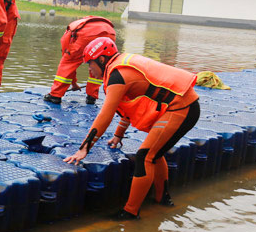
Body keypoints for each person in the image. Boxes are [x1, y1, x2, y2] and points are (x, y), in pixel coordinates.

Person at [64, 37, 201, 220]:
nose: (89, 69)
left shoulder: (117, 76)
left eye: (90, 64)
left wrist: (84, 149)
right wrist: (118, 135)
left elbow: (105, 115)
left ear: (102, 60)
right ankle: (162, 200)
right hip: (182, 105)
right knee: (155, 153)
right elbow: (128, 105)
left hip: (182, 107)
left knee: (146, 156)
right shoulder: (120, 67)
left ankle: (130, 212)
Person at [43, 15, 116, 105]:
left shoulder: (70, 31)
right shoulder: (88, 22)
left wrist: (73, 83)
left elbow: (68, 61)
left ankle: (55, 96)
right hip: (110, 34)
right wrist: (74, 83)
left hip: (86, 35)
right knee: (99, 64)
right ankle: (91, 97)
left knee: (68, 63)